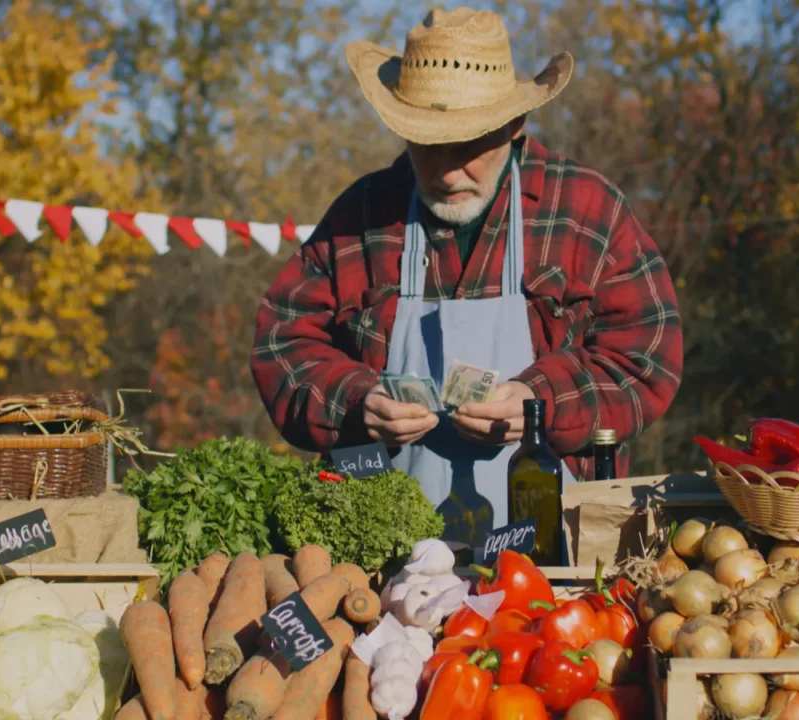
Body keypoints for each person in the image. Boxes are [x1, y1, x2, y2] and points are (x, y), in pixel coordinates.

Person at [251, 7, 683, 545]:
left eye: (471, 143)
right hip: (386, 560)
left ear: (514, 125)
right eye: (428, 144)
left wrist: (539, 404)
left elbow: (647, 360)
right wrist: (357, 403)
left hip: (563, 550)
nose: (449, 170)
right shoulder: (361, 215)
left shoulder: (584, 210)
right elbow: (283, 342)